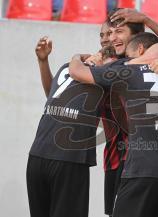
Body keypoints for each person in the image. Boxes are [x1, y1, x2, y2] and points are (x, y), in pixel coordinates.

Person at [68, 32, 158, 217]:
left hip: (142, 169)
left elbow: (76, 72)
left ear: (140, 50)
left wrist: (76, 57)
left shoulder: (129, 69)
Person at [26, 38, 119, 217]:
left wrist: (76, 58)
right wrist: (43, 62)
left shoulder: (101, 75)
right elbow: (52, 94)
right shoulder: (67, 68)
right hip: (38, 154)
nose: (99, 59)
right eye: (99, 54)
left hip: (71, 157)